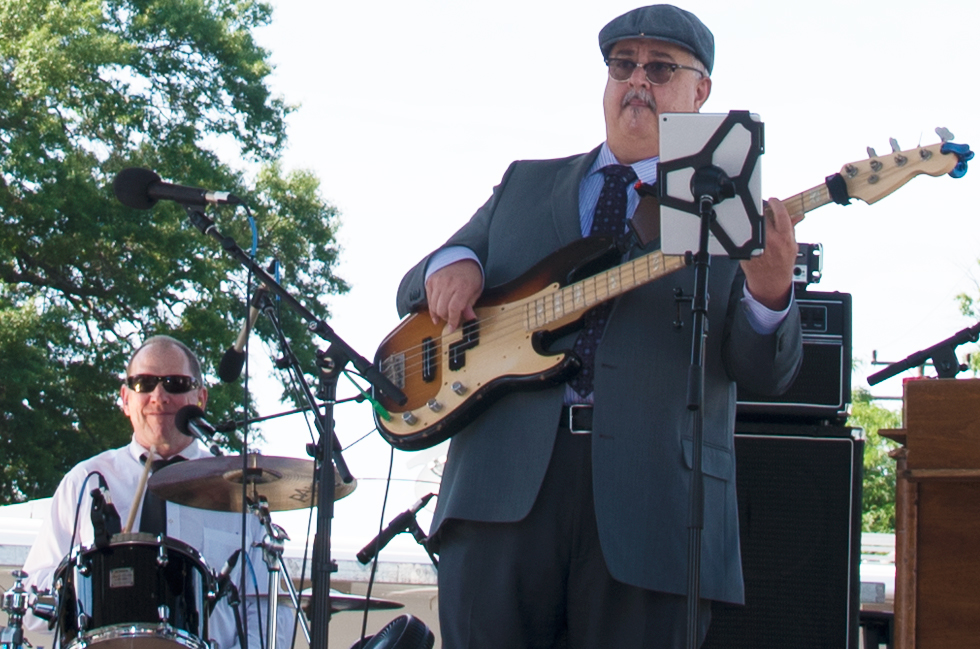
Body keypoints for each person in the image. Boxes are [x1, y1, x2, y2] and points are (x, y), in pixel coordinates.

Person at [394, 5, 804, 648]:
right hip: (500, 498)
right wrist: (456, 264)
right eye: (623, 64)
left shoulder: (732, 212)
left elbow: (764, 372)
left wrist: (770, 289)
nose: (637, 80)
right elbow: (415, 284)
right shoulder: (525, 185)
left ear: (700, 93)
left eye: (661, 67)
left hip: (655, 512)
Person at [21, 335, 273, 649]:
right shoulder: (85, 481)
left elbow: (269, 609)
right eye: (144, 383)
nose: (159, 396)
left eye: (176, 383)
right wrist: (84, 581)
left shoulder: (238, 488)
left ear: (201, 398)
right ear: (125, 398)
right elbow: (31, 607)